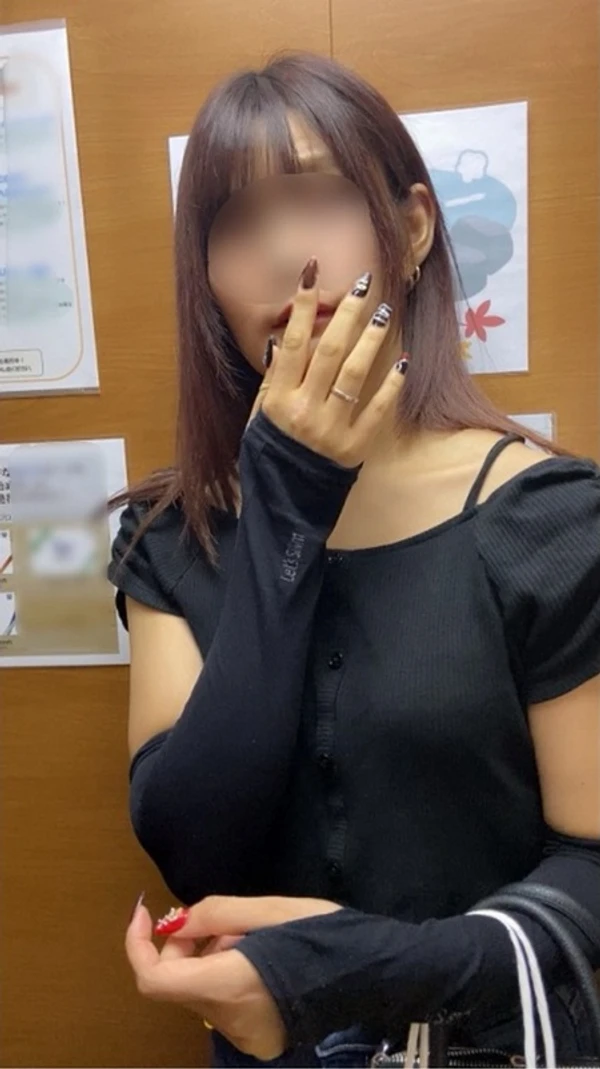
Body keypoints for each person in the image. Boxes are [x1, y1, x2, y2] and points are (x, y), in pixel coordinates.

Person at [110, 52, 600, 1067]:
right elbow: (193, 846)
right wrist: (285, 505)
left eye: (322, 197)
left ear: (412, 228)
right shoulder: (171, 536)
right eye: (235, 222)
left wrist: (365, 970)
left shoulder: (549, 519)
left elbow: (592, 871)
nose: (284, 253)